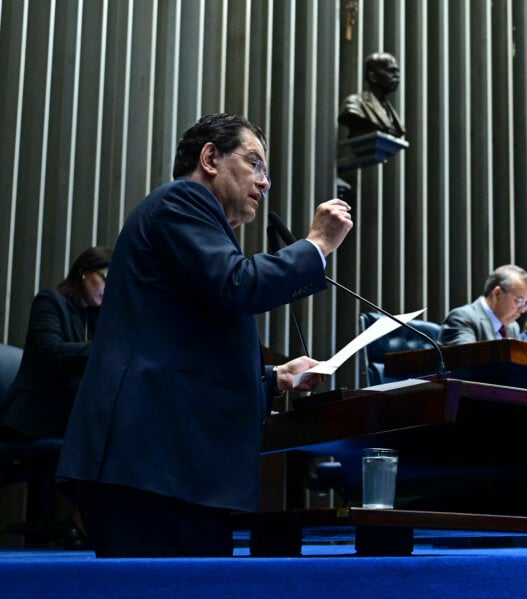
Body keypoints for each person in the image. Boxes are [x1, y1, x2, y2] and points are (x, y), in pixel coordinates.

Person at [55, 113, 353, 558]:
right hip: (149, 465)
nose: (264, 182)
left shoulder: (197, 222)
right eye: (255, 164)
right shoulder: (182, 200)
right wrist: (316, 245)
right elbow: (238, 284)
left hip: (171, 469)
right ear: (210, 157)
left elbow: (187, 347)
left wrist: (275, 379)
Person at [0, 246, 113, 441]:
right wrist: (107, 349)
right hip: (35, 416)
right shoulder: (50, 301)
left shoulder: (96, 317)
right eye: (106, 279)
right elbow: (52, 351)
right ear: (84, 272)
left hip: (70, 415)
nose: (109, 289)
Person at [439, 264, 527, 345]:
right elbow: (468, 361)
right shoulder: (463, 318)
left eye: (525, 303)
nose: (522, 310)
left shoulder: (512, 327)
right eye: (519, 301)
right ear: (497, 294)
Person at [338, 52, 406, 139]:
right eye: (391, 71)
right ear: (372, 77)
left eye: (397, 72)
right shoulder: (354, 103)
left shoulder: (391, 114)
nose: (397, 76)